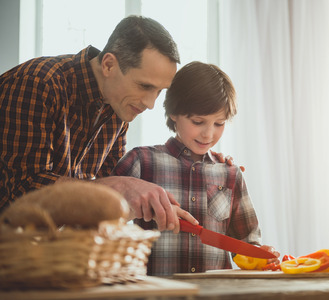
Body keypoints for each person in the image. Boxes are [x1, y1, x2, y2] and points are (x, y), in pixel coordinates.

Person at [0, 15, 200, 230]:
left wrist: (142, 205)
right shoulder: (38, 84)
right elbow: (21, 197)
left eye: (159, 91)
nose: (150, 103)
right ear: (108, 65)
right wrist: (117, 187)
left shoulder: (118, 108)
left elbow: (98, 209)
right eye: (144, 86)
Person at [112, 61, 279, 275]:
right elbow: (102, 221)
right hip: (155, 293)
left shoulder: (230, 173)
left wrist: (259, 254)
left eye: (219, 123)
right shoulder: (140, 161)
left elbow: (247, 242)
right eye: (198, 122)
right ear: (174, 113)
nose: (208, 134)